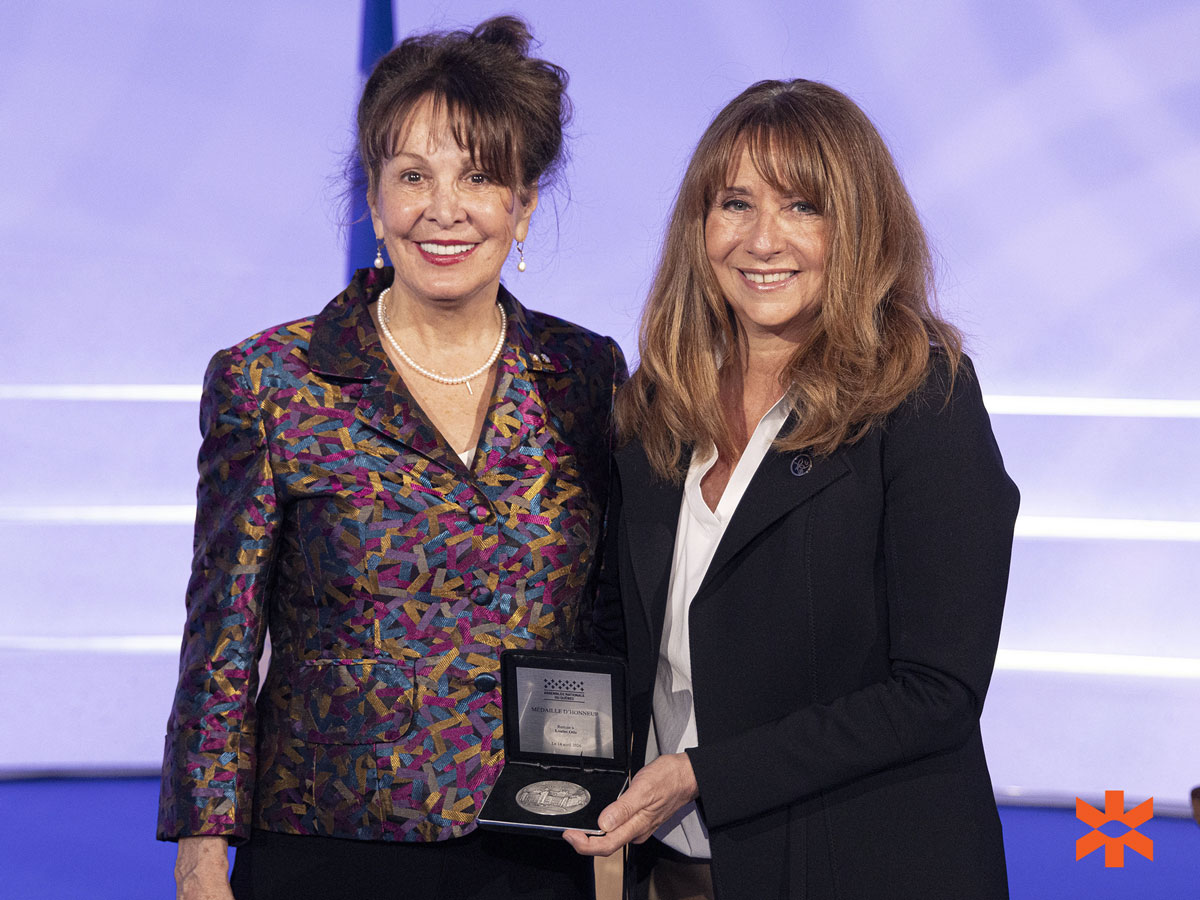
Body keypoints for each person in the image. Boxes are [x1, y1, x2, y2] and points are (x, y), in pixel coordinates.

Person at [157, 16, 625, 900]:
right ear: (374, 202)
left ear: (522, 206)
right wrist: (200, 857)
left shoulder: (583, 373)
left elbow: (596, 625)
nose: (442, 210)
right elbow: (221, 644)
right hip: (328, 843)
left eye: (479, 178)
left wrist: (605, 842)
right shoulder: (272, 379)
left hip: (531, 844)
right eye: (413, 177)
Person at [564, 79, 1019, 900]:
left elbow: (936, 691)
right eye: (735, 203)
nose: (763, 239)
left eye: (803, 206)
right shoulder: (658, 408)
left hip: (861, 866)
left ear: (857, 226)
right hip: (675, 871)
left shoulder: (923, 396)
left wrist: (702, 773)